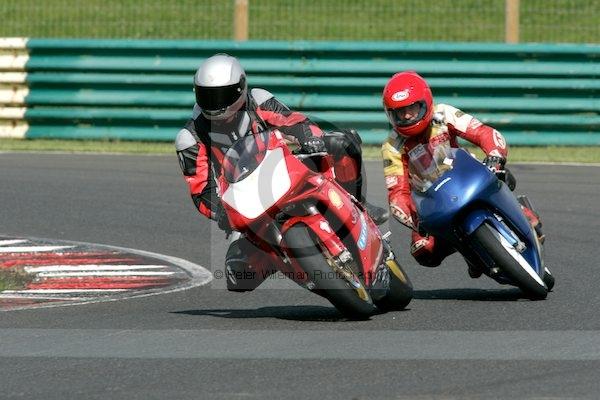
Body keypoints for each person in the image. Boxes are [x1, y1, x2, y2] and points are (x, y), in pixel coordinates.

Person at [176, 53, 388, 291]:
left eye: (220, 96)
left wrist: (310, 138)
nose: (214, 104)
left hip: (287, 170)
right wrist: (221, 212)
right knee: (238, 275)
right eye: (206, 96)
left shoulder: (257, 100)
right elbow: (202, 190)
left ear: (240, 89)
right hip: (247, 203)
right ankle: (292, 260)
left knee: (342, 143)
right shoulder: (190, 139)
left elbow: (293, 121)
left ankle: (358, 204)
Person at [381, 71, 543, 277]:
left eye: (411, 108)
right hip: (433, 199)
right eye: (400, 112)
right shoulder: (392, 147)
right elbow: (397, 193)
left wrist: (494, 156)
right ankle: (470, 252)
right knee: (423, 251)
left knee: (533, 221)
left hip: (465, 176)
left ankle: (516, 207)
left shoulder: (443, 114)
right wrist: (415, 221)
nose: (406, 116)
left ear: (425, 103)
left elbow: (482, 132)